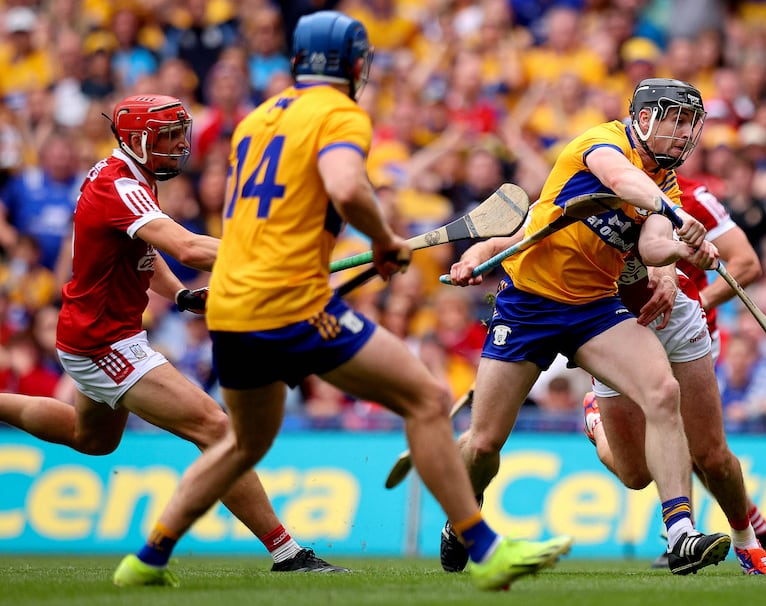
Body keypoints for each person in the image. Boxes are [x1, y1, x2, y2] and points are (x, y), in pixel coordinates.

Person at [113, 11, 571, 591]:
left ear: (299, 62)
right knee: (427, 399)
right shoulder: (340, 114)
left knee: (243, 443)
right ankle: (484, 549)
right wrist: (382, 241)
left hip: (234, 301)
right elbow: (348, 186)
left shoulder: (257, 118)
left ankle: (147, 559)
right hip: (291, 303)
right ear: (356, 64)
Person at [0, 94, 344, 578]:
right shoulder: (119, 185)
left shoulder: (130, 176)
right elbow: (183, 244)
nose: (181, 145)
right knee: (218, 429)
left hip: (95, 334)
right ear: (138, 140)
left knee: (91, 439)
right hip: (104, 343)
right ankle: (288, 553)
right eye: (168, 137)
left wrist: (179, 296)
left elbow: (145, 245)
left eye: (181, 134)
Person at [446, 78, 731, 576]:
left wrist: (685, 245)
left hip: (594, 310)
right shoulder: (600, 144)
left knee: (662, 391)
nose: (684, 133)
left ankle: (680, 533)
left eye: (690, 123)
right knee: (485, 442)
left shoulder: (663, 186)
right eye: (674, 120)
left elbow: (652, 246)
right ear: (643, 119)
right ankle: (461, 516)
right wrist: (676, 213)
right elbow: (621, 181)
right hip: (527, 307)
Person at [582, 175, 766, 574]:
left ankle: (705, 537)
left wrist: (699, 299)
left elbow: (746, 263)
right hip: (621, 329)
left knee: (705, 451)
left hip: (689, 327)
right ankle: (597, 420)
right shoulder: (591, 195)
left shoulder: (694, 196)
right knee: (640, 469)